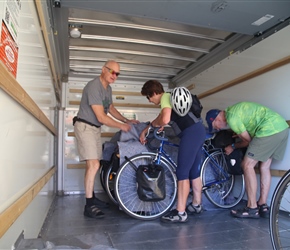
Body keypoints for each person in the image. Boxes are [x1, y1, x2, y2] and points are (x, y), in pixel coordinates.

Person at [74, 60, 139, 219]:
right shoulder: (93, 86)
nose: (114, 76)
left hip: (95, 129)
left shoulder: (107, 89)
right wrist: (121, 126)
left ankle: (92, 198)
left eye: (117, 74)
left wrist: (126, 120)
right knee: (93, 164)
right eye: (112, 72)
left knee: (94, 164)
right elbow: (101, 117)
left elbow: (110, 108)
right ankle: (89, 206)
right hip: (85, 126)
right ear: (104, 70)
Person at [206, 102, 289, 219]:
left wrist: (233, 147)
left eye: (215, 126)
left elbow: (248, 142)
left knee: (247, 165)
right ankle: (262, 205)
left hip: (268, 130)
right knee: (264, 167)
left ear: (216, 119)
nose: (218, 128)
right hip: (282, 128)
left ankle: (252, 208)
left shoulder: (232, 118)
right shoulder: (233, 110)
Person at [139, 80, 206, 223]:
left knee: (182, 173)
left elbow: (165, 118)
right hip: (199, 130)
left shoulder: (165, 97)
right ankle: (196, 204)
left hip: (191, 133)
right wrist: (153, 125)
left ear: (155, 93)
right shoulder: (170, 97)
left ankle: (180, 212)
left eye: (148, 97)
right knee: (193, 171)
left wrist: (150, 127)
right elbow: (162, 118)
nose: (150, 101)